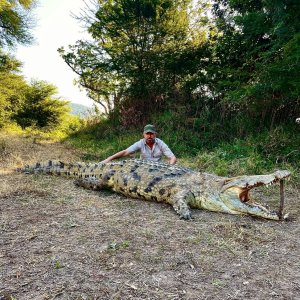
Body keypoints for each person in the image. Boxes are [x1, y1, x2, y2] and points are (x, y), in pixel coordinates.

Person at [100, 124, 177, 164]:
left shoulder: (160, 143)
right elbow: (125, 152)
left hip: (157, 168)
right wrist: (109, 159)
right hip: (143, 168)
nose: (149, 136)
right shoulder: (140, 143)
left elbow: (173, 158)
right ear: (144, 134)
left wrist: (169, 168)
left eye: (151, 134)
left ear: (155, 134)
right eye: (147, 134)